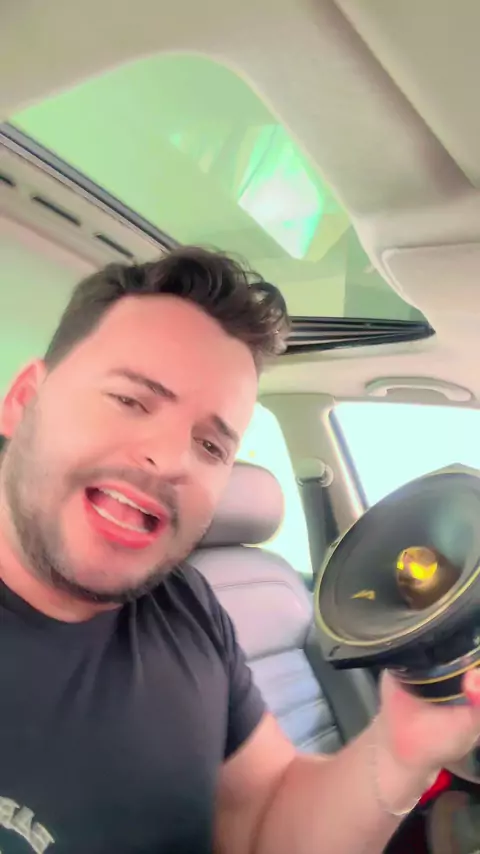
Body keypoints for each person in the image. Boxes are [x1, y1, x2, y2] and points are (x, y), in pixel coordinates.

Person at [0, 246, 479, 854]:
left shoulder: (186, 605)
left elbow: (262, 825)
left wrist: (402, 747)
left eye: (210, 446)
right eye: (130, 400)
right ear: (23, 400)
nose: (169, 459)